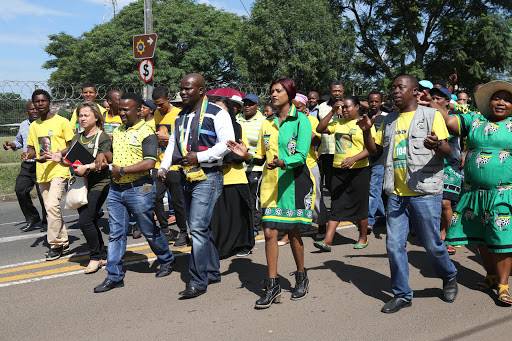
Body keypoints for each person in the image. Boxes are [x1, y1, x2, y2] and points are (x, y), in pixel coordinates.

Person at [358, 75, 458, 313]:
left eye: (400, 87)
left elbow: (447, 151)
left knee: (431, 244)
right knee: (394, 246)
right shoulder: (389, 119)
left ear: (415, 92)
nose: (394, 91)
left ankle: (449, 274)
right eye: (392, 87)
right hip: (396, 193)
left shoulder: (431, 116)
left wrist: (436, 144)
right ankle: (402, 294)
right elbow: (376, 152)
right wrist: (366, 133)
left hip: (424, 192)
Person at [228, 77, 314, 309]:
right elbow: (260, 156)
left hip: (294, 184)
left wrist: (282, 162)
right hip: (270, 185)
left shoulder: (301, 121)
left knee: (294, 233)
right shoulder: (268, 123)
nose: (274, 95)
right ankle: (273, 284)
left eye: (278, 91)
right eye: (272, 91)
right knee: (269, 233)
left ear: (290, 93)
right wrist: (246, 155)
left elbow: (302, 156)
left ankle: (301, 276)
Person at [159, 73, 235, 299]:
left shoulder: (217, 113)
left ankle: (198, 280)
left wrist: (200, 158)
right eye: (181, 88)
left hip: (208, 176)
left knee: (197, 228)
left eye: (187, 89)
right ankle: (212, 271)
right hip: (186, 175)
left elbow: (227, 144)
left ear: (201, 91)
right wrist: (163, 167)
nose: (182, 92)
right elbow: (173, 142)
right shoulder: (180, 116)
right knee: (202, 228)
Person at [93, 92, 175, 293]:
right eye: (119, 108)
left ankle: (166, 258)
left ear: (138, 110)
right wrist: (104, 155)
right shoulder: (119, 131)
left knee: (148, 229)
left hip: (140, 189)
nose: (120, 112)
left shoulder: (147, 132)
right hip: (116, 190)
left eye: (125, 109)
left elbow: (149, 162)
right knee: (116, 234)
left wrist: (122, 170)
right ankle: (114, 276)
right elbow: (116, 155)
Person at [443, 81, 512, 305]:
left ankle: (503, 285)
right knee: (481, 237)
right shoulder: (475, 119)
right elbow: (447, 122)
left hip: (503, 193)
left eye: (507, 99)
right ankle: (490, 276)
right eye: (496, 98)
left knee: (501, 238)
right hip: (475, 193)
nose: (501, 102)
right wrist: (433, 104)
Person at [50, 102, 112, 273]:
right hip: (81, 184)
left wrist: (88, 167)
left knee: (84, 220)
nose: (82, 118)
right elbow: (71, 159)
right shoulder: (78, 137)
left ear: (96, 117)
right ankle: (101, 253)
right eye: (80, 115)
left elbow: (106, 162)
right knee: (90, 220)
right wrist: (59, 159)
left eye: (86, 115)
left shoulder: (103, 137)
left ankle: (94, 257)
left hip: (99, 183)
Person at [314, 95, 374, 251]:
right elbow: (320, 129)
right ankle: (327, 241)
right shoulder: (338, 122)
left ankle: (363, 237)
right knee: (336, 203)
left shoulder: (364, 124)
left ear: (356, 108)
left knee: (360, 205)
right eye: (343, 107)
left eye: (348, 107)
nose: (345, 110)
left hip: (359, 171)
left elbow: (371, 149)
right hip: (338, 170)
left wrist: (354, 158)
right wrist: (332, 111)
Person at [23, 89, 74, 261]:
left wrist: (58, 154)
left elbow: (72, 144)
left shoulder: (62, 121)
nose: (40, 104)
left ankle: (55, 245)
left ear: (49, 102)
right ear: (34, 104)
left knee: (52, 206)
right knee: (50, 208)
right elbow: (31, 148)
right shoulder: (34, 125)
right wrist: (29, 155)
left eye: (43, 101)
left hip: (60, 168)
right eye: (37, 102)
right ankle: (64, 240)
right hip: (42, 171)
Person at [209, 96, 255, 258]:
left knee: (239, 216)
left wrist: (224, 157)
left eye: (223, 109)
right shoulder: (208, 127)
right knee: (219, 218)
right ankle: (221, 248)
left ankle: (244, 245)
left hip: (235, 178)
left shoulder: (237, 127)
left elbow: (241, 152)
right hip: (215, 177)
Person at [152, 87, 189, 247]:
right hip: (159, 163)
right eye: (156, 105)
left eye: (161, 104)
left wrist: (167, 137)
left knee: (177, 201)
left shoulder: (179, 114)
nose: (158, 108)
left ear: (168, 99)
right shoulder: (156, 114)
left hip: (175, 165)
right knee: (155, 197)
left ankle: (183, 232)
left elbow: (184, 139)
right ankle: (165, 230)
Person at [429, 87, 464, 256]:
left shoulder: (454, 117)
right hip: (431, 165)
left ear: (448, 102)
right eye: (432, 98)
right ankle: (441, 236)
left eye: (438, 98)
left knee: (445, 203)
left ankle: (450, 237)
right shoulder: (427, 115)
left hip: (451, 164)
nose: (434, 101)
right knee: (436, 204)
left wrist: (465, 153)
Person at [3, 102, 47, 232]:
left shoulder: (44, 124)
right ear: (27, 111)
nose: (34, 111)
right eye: (31, 109)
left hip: (41, 164)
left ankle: (47, 222)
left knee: (43, 194)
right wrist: (11, 144)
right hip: (27, 165)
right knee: (20, 189)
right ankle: (32, 217)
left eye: (36, 109)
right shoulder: (23, 125)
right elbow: (19, 141)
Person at [237, 94, 266, 237]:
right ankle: (244, 224)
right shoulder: (238, 119)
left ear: (257, 106)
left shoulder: (263, 121)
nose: (247, 106)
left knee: (254, 197)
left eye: (250, 104)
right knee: (242, 198)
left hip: (256, 166)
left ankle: (255, 226)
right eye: (245, 104)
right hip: (239, 167)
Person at [366, 91, 387, 233]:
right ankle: (381, 216)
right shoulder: (363, 118)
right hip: (364, 160)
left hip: (380, 160)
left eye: (376, 101)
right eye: (371, 101)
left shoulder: (386, 118)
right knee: (374, 190)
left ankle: (369, 221)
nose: (373, 104)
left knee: (374, 189)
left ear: (381, 102)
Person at [318, 81, 344, 191]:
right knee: (328, 182)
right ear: (330, 92)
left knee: (341, 182)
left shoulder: (348, 106)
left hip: (343, 150)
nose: (337, 93)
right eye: (334, 91)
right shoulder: (322, 106)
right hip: (327, 150)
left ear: (343, 92)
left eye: (339, 91)